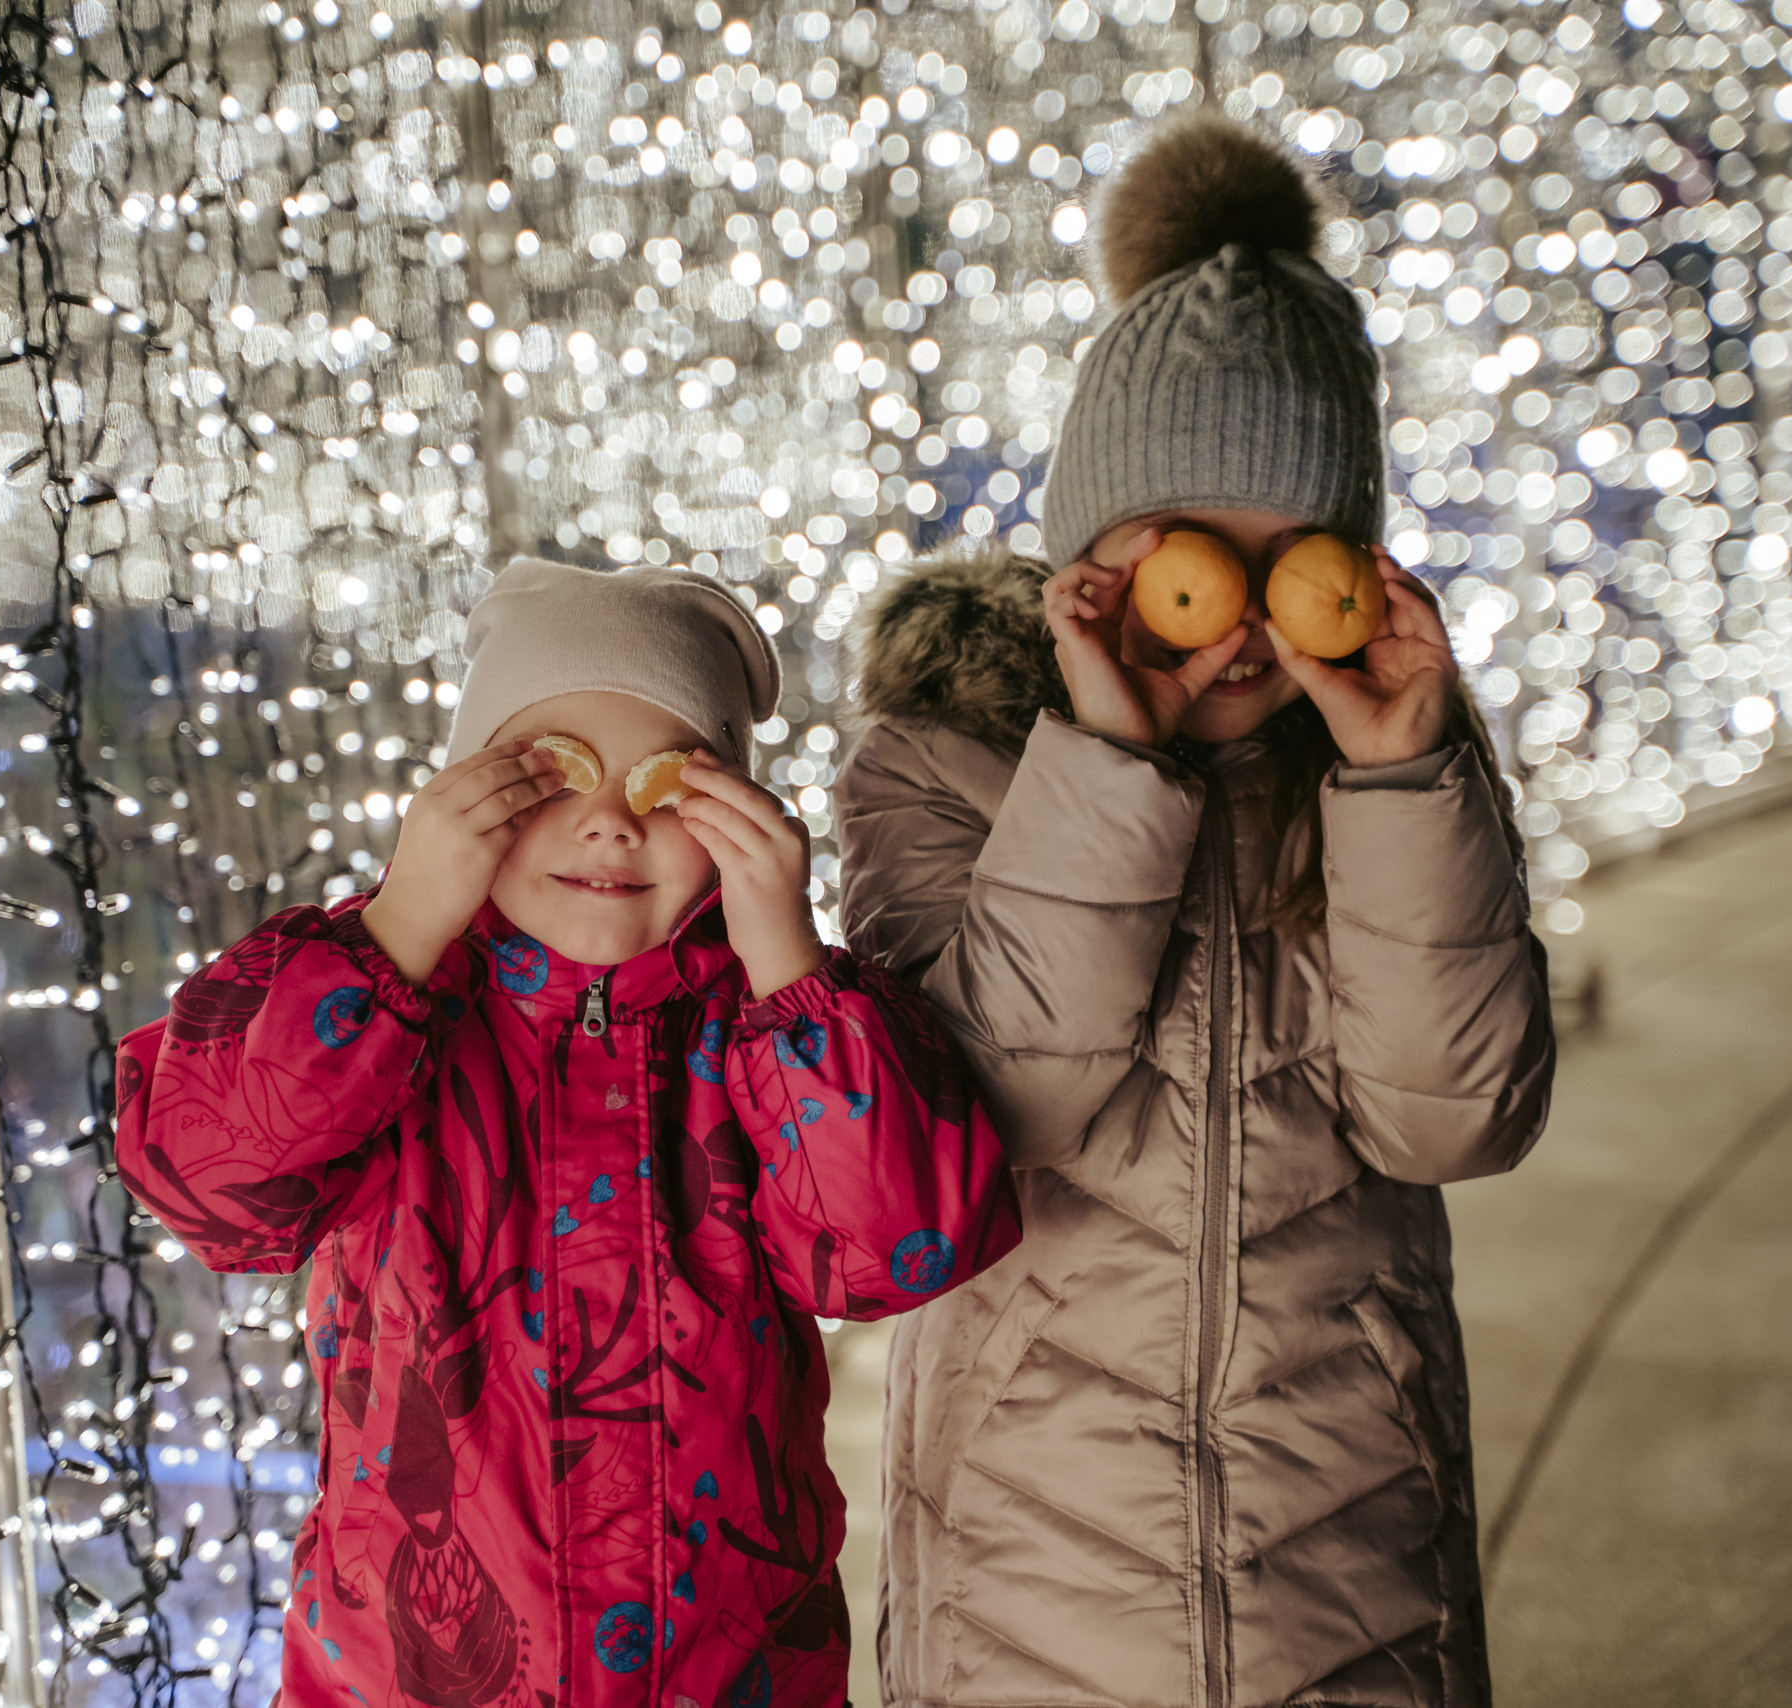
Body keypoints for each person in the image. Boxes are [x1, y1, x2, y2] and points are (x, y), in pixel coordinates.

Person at [832, 114, 1554, 1706]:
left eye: (1284, 553)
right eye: (1189, 560)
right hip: (1033, 1569)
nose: (1233, 629)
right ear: (1091, 554)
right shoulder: (943, 761)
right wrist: (1101, 759)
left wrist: (1399, 780)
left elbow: (1460, 1116)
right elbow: (994, 1102)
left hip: (1345, 1555)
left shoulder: (1384, 768)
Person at [116, 558, 1020, 1708]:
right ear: (462, 796)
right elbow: (203, 1177)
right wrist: (395, 932)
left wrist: (787, 959)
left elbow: (897, 1246)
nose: (605, 823)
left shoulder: (771, 1027)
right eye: (544, 776)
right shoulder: (379, 1008)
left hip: (731, 1675)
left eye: (665, 788)